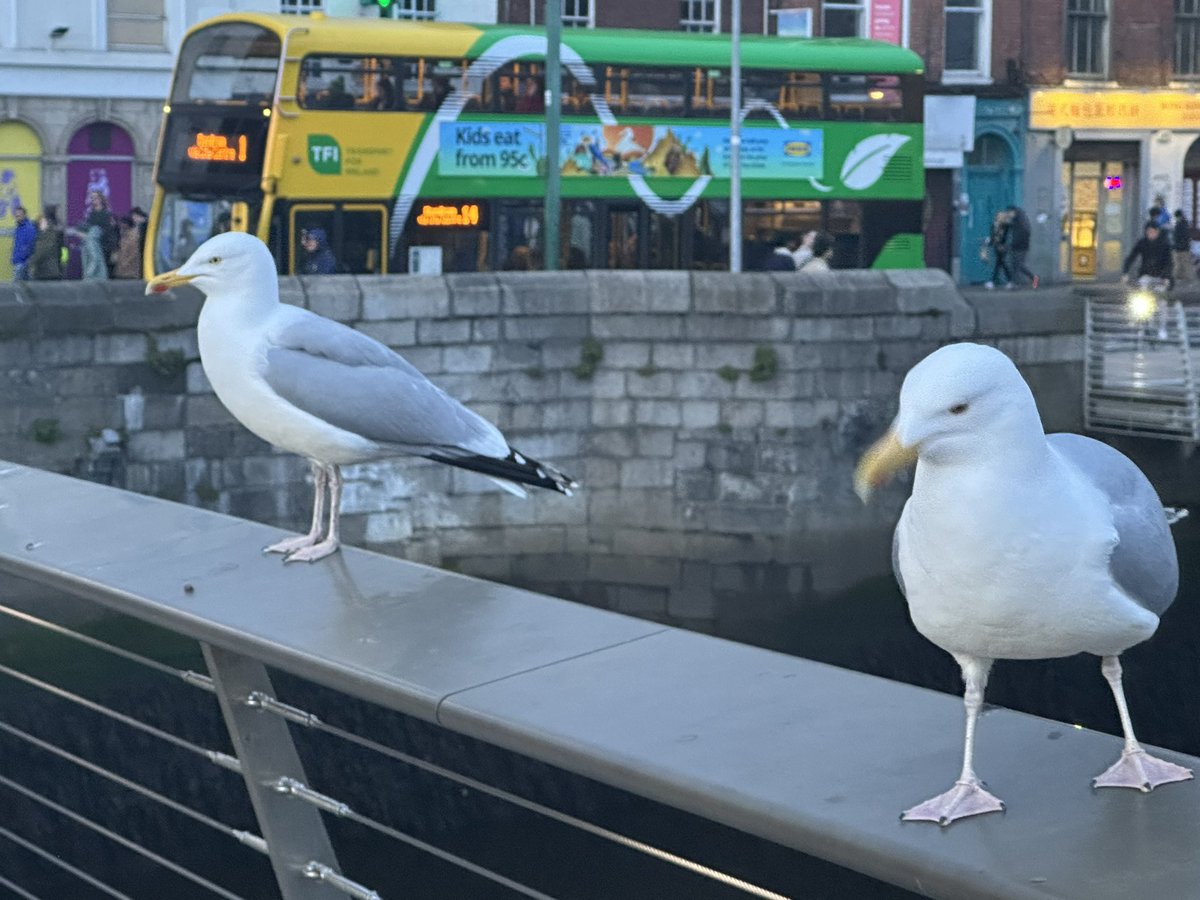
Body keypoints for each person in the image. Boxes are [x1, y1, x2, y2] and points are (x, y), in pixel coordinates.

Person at [82, 190, 119, 276]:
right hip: (93, 246)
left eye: (96, 197)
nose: (93, 200)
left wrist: (114, 249)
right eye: (92, 198)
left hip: (105, 246)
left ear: (101, 199)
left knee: (104, 271)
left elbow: (112, 232)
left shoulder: (107, 214)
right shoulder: (91, 214)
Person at [1006, 205, 1038, 289]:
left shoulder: (1021, 221)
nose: (1008, 215)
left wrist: (1015, 243)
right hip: (1019, 246)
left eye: (1009, 213)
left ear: (1013, 212)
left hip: (1021, 246)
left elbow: (1023, 234)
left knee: (1019, 265)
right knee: (1015, 265)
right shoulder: (1018, 220)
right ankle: (1015, 283)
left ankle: (1033, 278)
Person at [29, 209, 64, 280]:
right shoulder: (51, 233)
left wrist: (30, 262)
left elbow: (41, 251)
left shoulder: (46, 235)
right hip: (51, 270)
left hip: (46, 272)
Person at [982, 210, 1012, 290]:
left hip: (1002, 247)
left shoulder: (1005, 226)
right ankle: (1009, 281)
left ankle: (993, 282)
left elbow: (1003, 237)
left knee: (1000, 264)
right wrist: (989, 243)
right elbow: (993, 236)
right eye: (998, 216)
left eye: (1000, 216)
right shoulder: (995, 225)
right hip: (997, 246)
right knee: (1000, 264)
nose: (998, 218)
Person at [9, 205, 36, 281]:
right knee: (25, 285)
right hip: (19, 261)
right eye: (16, 215)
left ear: (24, 215)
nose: (17, 217)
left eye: (19, 215)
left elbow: (31, 245)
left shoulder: (29, 228)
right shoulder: (19, 228)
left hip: (23, 262)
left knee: (17, 286)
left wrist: (25, 258)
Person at [1172, 209, 1193, 284]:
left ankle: (1179, 278)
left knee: (1178, 263)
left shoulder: (1179, 224)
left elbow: (1177, 236)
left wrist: (1176, 245)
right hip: (1185, 247)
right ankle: (1186, 278)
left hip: (1179, 247)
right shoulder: (1185, 223)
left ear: (1178, 216)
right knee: (1185, 263)